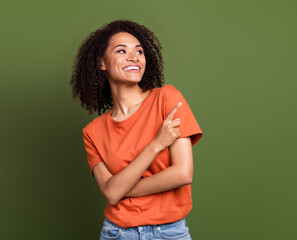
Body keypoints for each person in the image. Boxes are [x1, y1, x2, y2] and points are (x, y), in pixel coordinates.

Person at [70, 19, 203, 240]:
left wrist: (120, 188)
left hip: (169, 232)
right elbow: (111, 194)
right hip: (116, 233)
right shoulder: (93, 132)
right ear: (101, 62)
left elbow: (182, 173)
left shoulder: (167, 99)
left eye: (139, 51)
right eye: (121, 51)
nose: (134, 57)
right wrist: (156, 144)